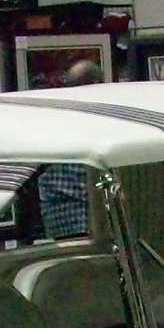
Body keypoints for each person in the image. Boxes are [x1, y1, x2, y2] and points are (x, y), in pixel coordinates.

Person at [37, 58, 102, 239]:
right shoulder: (102, 120)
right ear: (96, 86)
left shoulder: (52, 119)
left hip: (59, 219)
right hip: (90, 217)